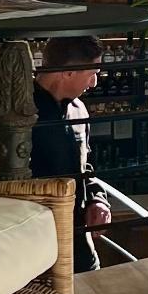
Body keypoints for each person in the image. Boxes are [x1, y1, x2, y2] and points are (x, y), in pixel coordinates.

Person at [32, 35, 110, 272]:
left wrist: (97, 199)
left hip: (81, 249)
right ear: (67, 73)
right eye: (92, 73)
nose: (94, 83)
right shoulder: (18, 115)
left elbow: (86, 167)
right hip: (35, 253)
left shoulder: (79, 109)